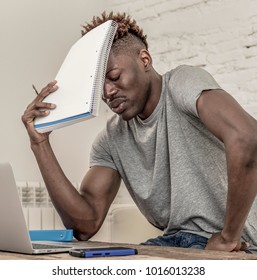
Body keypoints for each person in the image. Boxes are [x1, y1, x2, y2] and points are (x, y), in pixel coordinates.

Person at [22, 11, 257, 253]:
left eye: (113, 76)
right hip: (175, 243)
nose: (107, 92)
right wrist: (40, 143)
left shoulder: (181, 84)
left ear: (144, 60)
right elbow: (85, 224)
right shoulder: (111, 140)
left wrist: (229, 237)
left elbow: (247, 137)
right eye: (98, 85)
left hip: (239, 245)